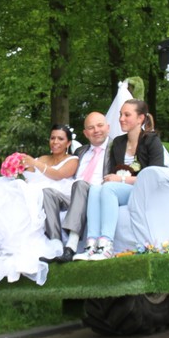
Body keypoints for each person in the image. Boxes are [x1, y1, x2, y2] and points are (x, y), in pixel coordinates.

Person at [0, 125, 78, 287]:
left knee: (27, 200)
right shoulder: (43, 158)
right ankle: (3, 249)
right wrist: (16, 165)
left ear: (68, 143)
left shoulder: (72, 160)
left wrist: (34, 163)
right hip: (33, 192)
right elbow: (29, 175)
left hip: (55, 196)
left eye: (60, 138)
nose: (55, 142)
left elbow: (58, 175)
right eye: (52, 138)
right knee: (8, 195)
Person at [75, 99, 165, 260]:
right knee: (95, 189)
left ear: (140, 118)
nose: (121, 119)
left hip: (143, 190)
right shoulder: (118, 142)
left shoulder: (151, 141)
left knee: (109, 188)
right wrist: (114, 179)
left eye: (127, 115)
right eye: (120, 114)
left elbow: (155, 176)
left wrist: (121, 179)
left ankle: (106, 245)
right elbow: (113, 172)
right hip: (123, 189)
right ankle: (91, 244)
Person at [41, 112, 111, 262]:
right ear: (85, 133)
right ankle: (56, 246)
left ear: (108, 128)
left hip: (97, 194)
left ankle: (71, 246)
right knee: (47, 193)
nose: (96, 130)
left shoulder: (116, 148)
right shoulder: (80, 152)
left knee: (80, 184)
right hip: (75, 196)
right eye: (91, 128)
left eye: (100, 125)